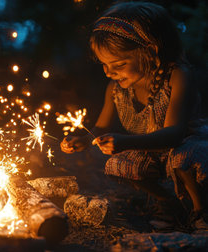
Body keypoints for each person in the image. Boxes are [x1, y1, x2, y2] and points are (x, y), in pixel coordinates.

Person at [60, 1, 208, 231]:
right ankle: (166, 202)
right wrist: (84, 139)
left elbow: (175, 134)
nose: (109, 72)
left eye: (118, 63)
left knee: (183, 156)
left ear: (150, 52)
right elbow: (99, 127)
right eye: (104, 64)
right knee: (118, 165)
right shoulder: (116, 90)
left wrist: (126, 142)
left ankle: (201, 209)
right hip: (151, 151)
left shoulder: (177, 77)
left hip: (186, 146)